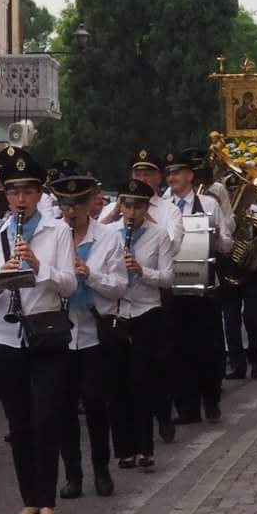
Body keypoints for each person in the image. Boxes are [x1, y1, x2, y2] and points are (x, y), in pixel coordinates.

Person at [0, 151, 76, 514]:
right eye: (13, 191)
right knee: (19, 421)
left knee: (45, 415)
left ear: (39, 195)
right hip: (5, 335)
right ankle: (29, 500)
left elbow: (69, 283)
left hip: (47, 333)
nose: (20, 198)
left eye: (28, 191)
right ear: (5, 196)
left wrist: (39, 267)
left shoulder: (58, 231)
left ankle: (49, 501)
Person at [53, 172, 125, 499]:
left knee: (95, 403)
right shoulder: (52, 234)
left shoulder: (108, 237)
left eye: (77, 204)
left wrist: (89, 274)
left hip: (94, 330)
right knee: (64, 407)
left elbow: (119, 286)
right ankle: (73, 475)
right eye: (65, 204)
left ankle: (101, 468)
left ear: (89, 203)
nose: (71, 211)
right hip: (60, 331)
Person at [98, 176, 176, 473]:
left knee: (142, 381)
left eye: (137, 207)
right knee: (116, 384)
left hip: (146, 311)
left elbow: (168, 278)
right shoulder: (108, 233)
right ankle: (124, 450)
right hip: (115, 312)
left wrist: (142, 271)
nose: (131, 213)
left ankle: (145, 448)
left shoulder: (159, 236)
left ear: (146, 209)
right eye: (127, 206)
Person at [164, 149, 232, 424]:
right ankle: (186, 407)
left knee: (210, 348)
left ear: (190, 176)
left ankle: (211, 400)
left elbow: (227, 243)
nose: (172, 178)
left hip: (203, 288)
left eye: (177, 172)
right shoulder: (162, 207)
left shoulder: (209, 205)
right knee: (178, 350)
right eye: (169, 173)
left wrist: (216, 237)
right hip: (172, 288)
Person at [220, 173, 257, 381]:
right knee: (230, 319)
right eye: (231, 190)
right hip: (228, 270)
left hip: (253, 270)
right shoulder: (220, 213)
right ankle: (237, 364)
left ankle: (256, 358)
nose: (234, 194)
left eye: (238, 190)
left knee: (254, 317)